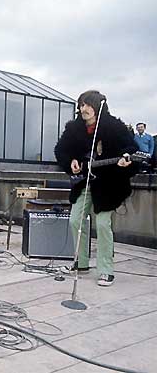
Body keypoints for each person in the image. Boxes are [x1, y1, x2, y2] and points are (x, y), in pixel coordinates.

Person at [54, 90, 137, 287]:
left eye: (87, 105)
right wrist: (71, 161)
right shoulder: (74, 128)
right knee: (75, 220)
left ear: (98, 106)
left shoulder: (113, 126)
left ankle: (106, 270)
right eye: (81, 105)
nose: (83, 109)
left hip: (108, 185)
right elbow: (61, 150)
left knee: (102, 224)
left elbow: (131, 148)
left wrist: (126, 160)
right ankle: (81, 263)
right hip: (84, 182)